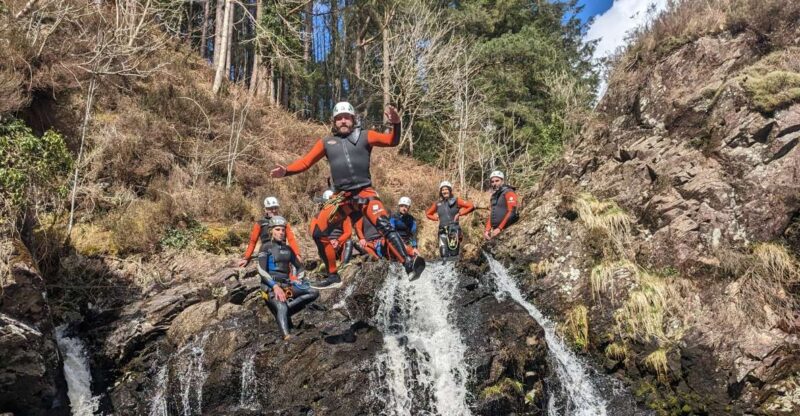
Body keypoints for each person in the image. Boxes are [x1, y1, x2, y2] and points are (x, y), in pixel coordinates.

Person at [270, 102, 425, 287]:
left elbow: (392, 140)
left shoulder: (366, 136)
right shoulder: (327, 142)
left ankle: (408, 264)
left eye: (346, 117)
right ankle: (333, 276)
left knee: (384, 225)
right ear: (334, 121)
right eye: (339, 118)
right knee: (318, 232)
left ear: (353, 119)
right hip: (342, 198)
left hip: (364, 193)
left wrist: (397, 124)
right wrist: (286, 171)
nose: (343, 121)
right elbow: (305, 162)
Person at [256, 216, 319, 340]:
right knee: (281, 306)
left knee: (313, 292)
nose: (281, 233)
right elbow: (261, 271)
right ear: (271, 231)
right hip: (269, 288)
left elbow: (300, 268)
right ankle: (286, 336)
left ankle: (284, 313)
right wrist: (275, 286)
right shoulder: (265, 247)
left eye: (283, 230)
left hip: (287, 286)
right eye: (277, 230)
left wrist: (298, 279)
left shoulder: (288, 249)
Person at [239, 196, 301, 268]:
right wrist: (246, 258)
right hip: (266, 252)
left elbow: (291, 239)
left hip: (281, 251)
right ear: (265, 210)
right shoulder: (260, 223)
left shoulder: (283, 222)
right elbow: (253, 241)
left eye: (275, 208)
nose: (274, 210)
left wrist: (297, 254)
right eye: (270, 208)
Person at [426, 181, 474, 258]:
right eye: (442, 190)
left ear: (450, 190)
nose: (444, 191)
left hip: (453, 230)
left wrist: (459, 214)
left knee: (453, 255)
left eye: (446, 189)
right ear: (441, 192)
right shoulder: (438, 204)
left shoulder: (456, 201)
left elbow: (471, 206)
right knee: (443, 254)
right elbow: (428, 214)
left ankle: (454, 265)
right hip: (442, 231)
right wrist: (435, 218)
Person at [309, 190, 355, 270]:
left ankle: (344, 265)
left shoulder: (344, 216)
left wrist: (338, 241)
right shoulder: (318, 216)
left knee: (349, 242)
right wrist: (328, 242)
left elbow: (348, 232)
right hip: (326, 244)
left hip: (340, 245)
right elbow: (314, 234)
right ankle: (327, 266)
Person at [484, 170, 519, 240]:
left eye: (497, 181)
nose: (494, 183)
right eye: (492, 181)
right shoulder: (494, 196)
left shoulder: (509, 192)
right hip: (495, 230)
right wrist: (487, 230)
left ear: (502, 181)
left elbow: (512, 212)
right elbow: (492, 213)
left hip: (508, 229)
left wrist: (500, 228)